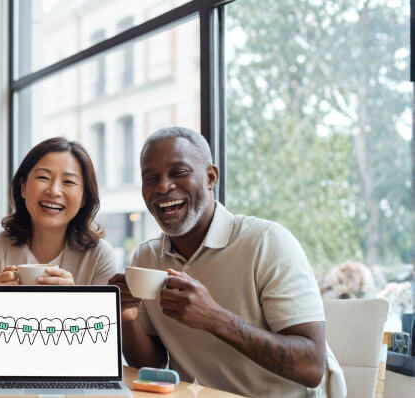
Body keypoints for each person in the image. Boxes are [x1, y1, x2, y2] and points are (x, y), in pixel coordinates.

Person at [109, 127, 345, 397]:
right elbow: (150, 365)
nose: (163, 187)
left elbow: (311, 367)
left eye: (179, 172)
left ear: (211, 177)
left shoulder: (267, 242)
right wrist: (126, 319)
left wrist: (215, 319)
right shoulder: (146, 258)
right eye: (150, 178)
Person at [0, 137, 118, 362]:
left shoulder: (99, 256)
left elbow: (100, 357)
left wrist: (75, 306)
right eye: (43, 178)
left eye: (69, 182)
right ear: (23, 187)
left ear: (83, 198)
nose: (54, 190)